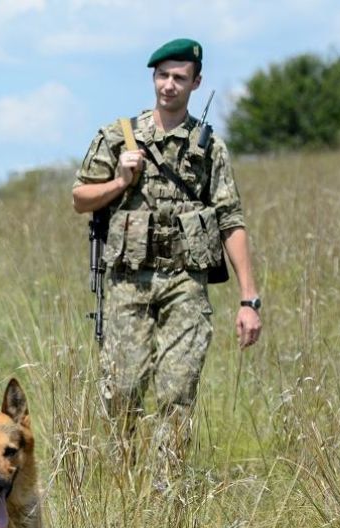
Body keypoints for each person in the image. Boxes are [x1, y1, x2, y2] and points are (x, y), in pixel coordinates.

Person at [71, 38, 262, 478]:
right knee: (121, 389)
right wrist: (120, 180)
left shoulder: (209, 147)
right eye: (162, 76)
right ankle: (124, 483)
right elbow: (81, 198)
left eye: (179, 77)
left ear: (197, 82)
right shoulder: (117, 136)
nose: (169, 86)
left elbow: (230, 219)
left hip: (185, 283)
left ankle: (166, 489)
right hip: (127, 282)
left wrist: (249, 299)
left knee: (178, 389)